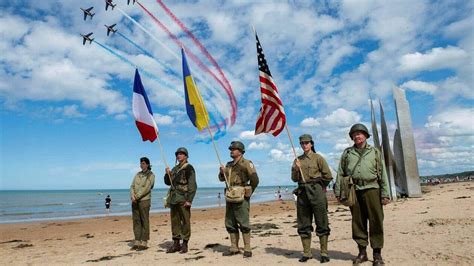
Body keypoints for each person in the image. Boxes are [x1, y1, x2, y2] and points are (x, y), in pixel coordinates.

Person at [334, 123, 390, 266]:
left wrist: (385, 193)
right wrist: (339, 192)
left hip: (373, 189)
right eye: (354, 134)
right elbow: (341, 173)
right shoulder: (347, 154)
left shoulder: (375, 152)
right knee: (358, 222)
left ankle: (377, 255)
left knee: (376, 221)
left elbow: (382, 173)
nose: (357, 136)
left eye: (359, 133)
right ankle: (362, 253)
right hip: (354, 190)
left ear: (365, 136)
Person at [291, 134, 333, 263]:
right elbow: (293, 178)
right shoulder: (297, 160)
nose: (304, 145)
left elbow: (328, 176)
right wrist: (296, 169)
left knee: (322, 221)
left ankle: (324, 253)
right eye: (302, 143)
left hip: (316, 191)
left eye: (307, 143)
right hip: (303, 192)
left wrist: (319, 187)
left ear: (311, 144)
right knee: (303, 222)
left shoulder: (318, 158)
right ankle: (307, 252)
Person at [219, 141, 259, 258]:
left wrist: (248, 192)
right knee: (230, 222)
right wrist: (222, 173)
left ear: (240, 151)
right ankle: (234, 247)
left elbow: (255, 180)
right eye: (231, 149)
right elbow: (222, 179)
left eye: (234, 149)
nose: (231, 151)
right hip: (230, 196)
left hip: (241, 196)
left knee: (243, 222)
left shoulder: (246, 163)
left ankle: (247, 248)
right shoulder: (229, 164)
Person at [164, 147, 197, 254]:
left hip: (183, 198)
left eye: (181, 154)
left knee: (185, 221)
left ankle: (185, 243)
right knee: (175, 221)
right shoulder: (174, 168)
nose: (179, 156)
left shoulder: (189, 168)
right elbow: (168, 183)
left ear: (186, 156)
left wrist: (189, 200)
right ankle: (176, 243)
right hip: (174, 198)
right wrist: (167, 173)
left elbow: (192, 185)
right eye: (178, 154)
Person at [130, 157, 155, 251]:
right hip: (135, 201)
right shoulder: (137, 174)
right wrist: (132, 196)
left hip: (144, 200)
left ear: (148, 164)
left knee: (144, 221)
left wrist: (137, 196)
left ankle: (144, 242)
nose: (142, 165)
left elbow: (147, 187)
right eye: (141, 163)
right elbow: (132, 186)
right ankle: (137, 241)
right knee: (136, 221)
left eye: (143, 163)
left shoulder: (151, 175)